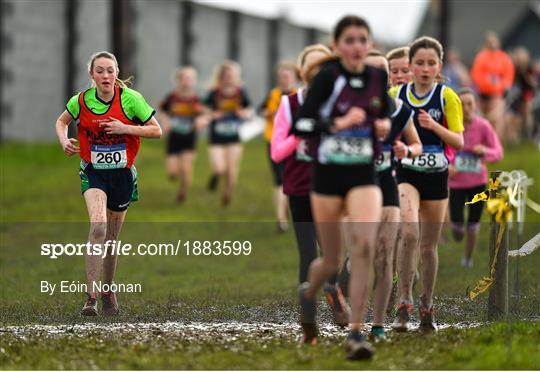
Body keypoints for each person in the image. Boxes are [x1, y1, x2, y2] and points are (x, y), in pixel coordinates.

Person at [292, 15, 392, 360]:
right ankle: (310, 291)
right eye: (349, 40)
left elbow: (388, 117)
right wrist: (337, 123)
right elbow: (302, 123)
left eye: (363, 39)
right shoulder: (328, 78)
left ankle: (356, 332)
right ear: (337, 45)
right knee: (332, 260)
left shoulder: (378, 78)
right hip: (328, 178)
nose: (356, 46)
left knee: (364, 246)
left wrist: (383, 126)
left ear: (370, 44)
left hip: (364, 175)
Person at [55, 51, 162, 316]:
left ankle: (108, 290)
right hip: (94, 172)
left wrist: (126, 128)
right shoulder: (80, 101)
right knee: (98, 227)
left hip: (123, 175)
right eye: (100, 71)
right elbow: (61, 121)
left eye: (110, 71)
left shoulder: (131, 100)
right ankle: (90, 297)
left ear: (116, 74)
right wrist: (64, 140)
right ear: (91, 74)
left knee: (112, 240)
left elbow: (156, 130)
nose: (106, 76)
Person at [271, 44, 349, 327]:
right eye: (312, 68)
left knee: (334, 254)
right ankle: (309, 313)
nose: (318, 73)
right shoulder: (288, 104)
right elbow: (277, 152)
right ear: (302, 72)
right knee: (308, 251)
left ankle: (333, 291)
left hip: (331, 187)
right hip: (301, 188)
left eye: (324, 68)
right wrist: (299, 135)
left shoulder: (341, 104)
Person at [390, 36, 464, 333]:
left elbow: (459, 140)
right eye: (419, 63)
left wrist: (435, 127)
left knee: (428, 247)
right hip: (407, 173)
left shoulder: (447, 97)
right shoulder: (396, 94)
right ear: (410, 66)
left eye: (430, 63)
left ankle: (426, 303)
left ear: (439, 66)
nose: (424, 68)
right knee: (409, 232)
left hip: (437, 176)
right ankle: (403, 301)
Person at [362, 49, 423, 340]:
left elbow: (417, 145)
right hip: (355, 186)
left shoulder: (399, 109)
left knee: (385, 255)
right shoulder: (344, 107)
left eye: (381, 73)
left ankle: (377, 325)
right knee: (364, 254)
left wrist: (406, 150)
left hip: (386, 183)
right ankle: (354, 322)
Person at [449, 88, 503, 268]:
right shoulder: (450, 126)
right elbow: (443, 150)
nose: (465, 108)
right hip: (456, 183)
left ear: (476, 105)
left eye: (469, 104)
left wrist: (485, 151)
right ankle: (456, 232)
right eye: (461, 104)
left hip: (477, 183)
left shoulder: (484, 126)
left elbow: (498, 152)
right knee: (457, 228)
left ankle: (467, 259)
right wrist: (449, 165)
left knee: (473, 224)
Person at [203, 61, 253, 206]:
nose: (228, 78)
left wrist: (244, 113)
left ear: (236, 76)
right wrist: (213, 114)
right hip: (216, 137)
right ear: (221, 77)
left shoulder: (241, 92)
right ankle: (216, 176)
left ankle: (227, 194)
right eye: (225, 75)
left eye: (231, 75)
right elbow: (203, 108)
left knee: (232, 171)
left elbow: (249, 110)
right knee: (219, 168)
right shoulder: (214, 93)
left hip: (234, 136)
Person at [261, 62, 299, 232]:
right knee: (279, 179)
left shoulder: (299, 96)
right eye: (281, 77)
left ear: (294, 77)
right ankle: (281, 218)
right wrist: (270, 113)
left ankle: (287, 209)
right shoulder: (273, 95)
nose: (284, 80)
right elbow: (261, 110)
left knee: (291, 180)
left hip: (294, 143)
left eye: (287, 76)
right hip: (274, 140)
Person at [158, 66, 206, 202]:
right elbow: (161, 110)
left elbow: (207, 114)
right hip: (173, 137)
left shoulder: (197, 99)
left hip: (189, 137)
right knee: (172, 173)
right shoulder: (172, 97)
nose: (186, 81)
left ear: (194, 81)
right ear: (178, 80)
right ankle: (175, 176)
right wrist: (165, 121)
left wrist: (202, 120)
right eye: (183, 78)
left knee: (186, 169)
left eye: (189, 78)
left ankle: (183, 192)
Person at [471, 31, 514, 141]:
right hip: (482, 93)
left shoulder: (504, 58)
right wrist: (486, 83)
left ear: (498, 43)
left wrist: (501, 85)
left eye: (494, 42)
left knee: (496, 118)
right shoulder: (481, 57)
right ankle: (483, 140)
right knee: (483, 118)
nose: (492, 44)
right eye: (490, 42)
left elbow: (508, 75)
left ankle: (496, 142)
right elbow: (476, 74)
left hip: (496, 93)